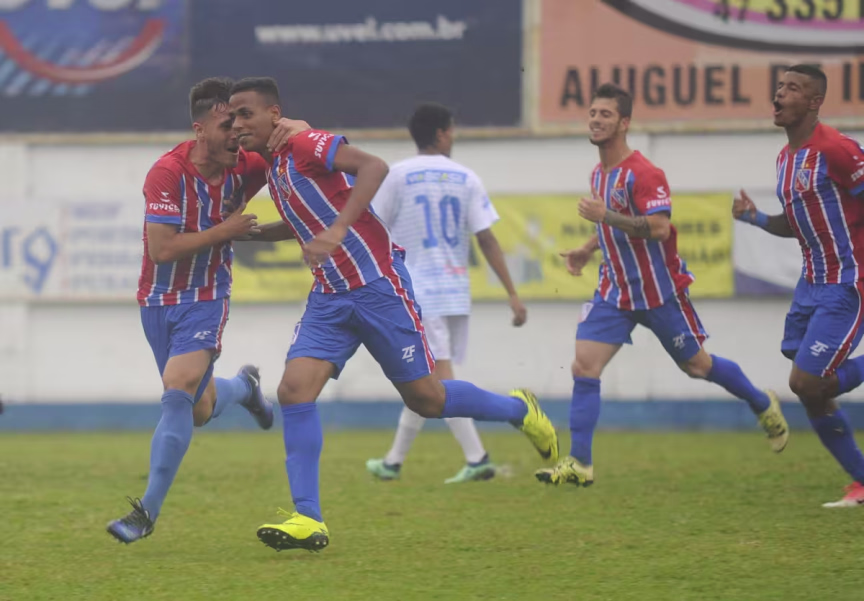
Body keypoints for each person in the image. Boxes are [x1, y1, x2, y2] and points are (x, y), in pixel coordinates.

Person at [228, 77, 558, 552]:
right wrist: (252, 234)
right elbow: (304, 221)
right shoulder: (273, 165)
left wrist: (337, 231)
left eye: (246, 114)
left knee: (427, 399)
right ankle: (308, 518)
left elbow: (374, 167)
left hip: (379, 286)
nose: (238, 124)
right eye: (233, 117)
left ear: (273, 114)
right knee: (293, 390)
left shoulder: (302, 143)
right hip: (330, 296)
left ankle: (520, 410)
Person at [536, 83, 788, 488]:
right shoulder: (599, 174)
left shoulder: (645, 173)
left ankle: (762, 402)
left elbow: (658, 228)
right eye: (593, 113)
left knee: (698, 366)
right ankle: (580, 463)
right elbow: (612, 225)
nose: (596, 120)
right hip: (615, 293)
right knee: (584, 365)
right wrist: (587, 248)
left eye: (605, 114)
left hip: (659, 293)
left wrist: (604, 217)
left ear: (624, 122)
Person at [106, 78, 308, 543]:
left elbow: (300, 146)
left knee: (177, 388)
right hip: (157, 301)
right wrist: (226, 230)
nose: (237, 133)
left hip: (207, 297)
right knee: (198, 409)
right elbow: (161, 250)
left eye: (240, 123)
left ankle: (145, 513)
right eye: (225, 125)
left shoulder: (249, 163)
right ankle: (245, 388)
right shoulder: (167, 173)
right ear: (199, 129)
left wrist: (297, 126)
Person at [365, 103, 527, 484]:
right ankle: (393, 462)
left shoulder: (397, 175)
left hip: (418, 291)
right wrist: (512, 293)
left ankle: (477, 457)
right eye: (451, 130)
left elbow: (372, 227)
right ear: (440, 134)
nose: (453, 136)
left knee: (437, 381)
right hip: (455, 292)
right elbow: (486, 238)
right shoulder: (466, 177)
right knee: (425, 379)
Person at [734, 64, 864, 508]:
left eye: (792, 88)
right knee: (806, 384)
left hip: (847, 282)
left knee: (809, 382)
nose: (779, 95)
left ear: (814, 101)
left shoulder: (837, 149)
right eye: (779, 86)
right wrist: (755, 218)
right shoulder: (786, 159)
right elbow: (796, 222)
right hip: (811, 284)